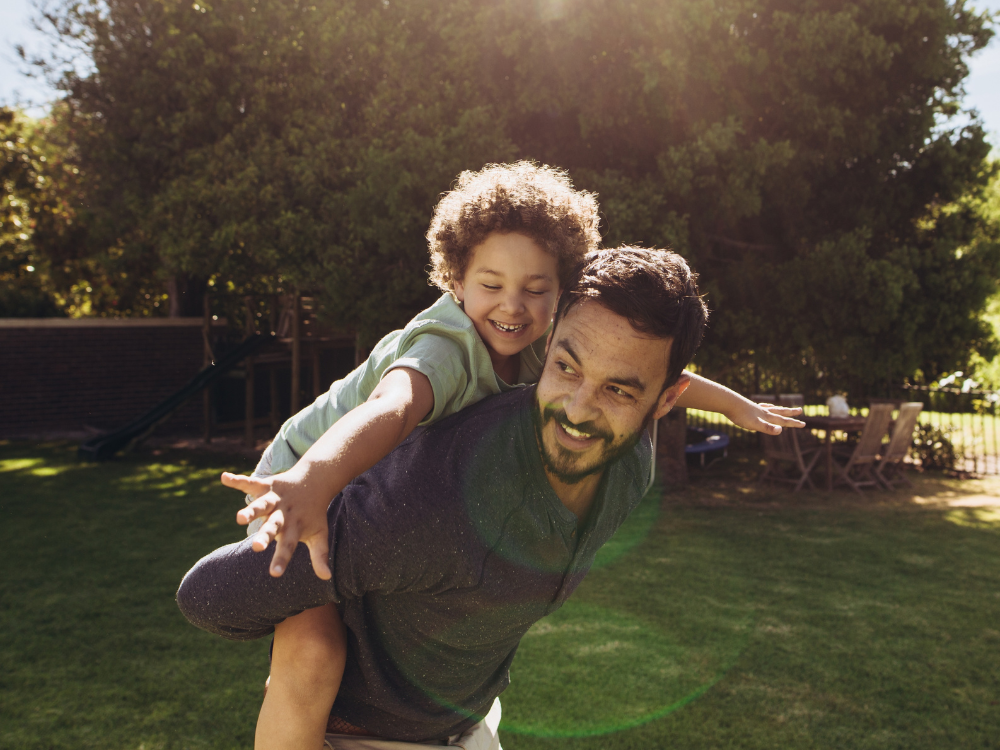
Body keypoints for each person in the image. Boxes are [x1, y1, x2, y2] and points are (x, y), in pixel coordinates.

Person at [178, 247, 803, 749]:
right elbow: (210, 597)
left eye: (618, 390)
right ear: (549, 346)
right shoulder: (432, 501)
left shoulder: (628, 465)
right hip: (359, 733)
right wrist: (307, 598)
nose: (579, 413)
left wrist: (737, 406)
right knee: (308, 655)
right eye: (567, 369)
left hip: (468, 727)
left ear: (663, 402)